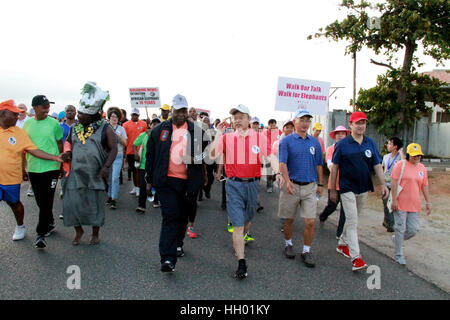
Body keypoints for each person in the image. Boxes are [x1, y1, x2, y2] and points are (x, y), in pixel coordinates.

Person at [146, 94, 208, 273]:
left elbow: (207, 153)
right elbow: (150, 156)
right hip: (167, 182)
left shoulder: (197, 131)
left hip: (188, 184)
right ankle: (167, 257)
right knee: (170, 217)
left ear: (187, 112)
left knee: (182, 218)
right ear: (172, 111)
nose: (181, 114)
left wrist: (194, 157)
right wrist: (149, 180)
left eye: (184, 111)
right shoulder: (160, 130)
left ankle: (178, 243)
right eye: (178, 111)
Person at [209, 104, 270, 279]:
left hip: (252, 185)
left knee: (247, 219)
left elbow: (271, 156)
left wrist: (279, 171)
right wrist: (219, 134)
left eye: (241, 117)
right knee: (237, 224)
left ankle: (240, 241)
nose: (237, 120)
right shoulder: (227, 138)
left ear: (249, 119)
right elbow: (212, 155)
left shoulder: (259, 138)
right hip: (233, 184)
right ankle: (241, 262)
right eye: (235, 117)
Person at [330, 111, 389, 271]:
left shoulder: (370, 143)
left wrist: (383, 184)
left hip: (363, 187)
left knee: (352, 219)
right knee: (353, 221)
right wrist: (333, 189)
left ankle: (342, 244)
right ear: (351, 125)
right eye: (358, 123)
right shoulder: (342, 144)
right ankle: (356, 258)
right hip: (346, 188)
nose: (361, 125)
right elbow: (335, 167)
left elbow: (377, 164)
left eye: (363, 122)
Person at [61, 82, 117, 246]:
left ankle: (95, 233)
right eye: (79, 113)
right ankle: (78, 231)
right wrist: (67, 152)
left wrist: (106, 167)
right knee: (72, 204)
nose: (79, 116)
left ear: (93, 115)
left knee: (95, 206)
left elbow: (114, 149)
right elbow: (68, 143)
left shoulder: (105, 128)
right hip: (76, 173)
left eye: (83, 114)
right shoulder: (74, 128)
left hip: (96, 174)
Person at [0, 100, 62, 242]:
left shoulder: (20, 133)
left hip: (11, 178)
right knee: (43, 201)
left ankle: (21, 226)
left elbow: (33, 150)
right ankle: (44, 227)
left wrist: (56, 158)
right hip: (29, 170)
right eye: (14, 114)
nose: (17, 117)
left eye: (18, 114)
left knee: (15, 203)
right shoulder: (27, 125)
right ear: (3, 114)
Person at [278, 109, 323, 267]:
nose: (305, 124)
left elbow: (319, 164)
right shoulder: (286, 141)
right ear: (294, 122)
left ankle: (306, 250)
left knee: (310, 222)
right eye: (301, 120)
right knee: (289, 219)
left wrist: (320, 184)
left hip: (310, 186)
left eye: (307, 120)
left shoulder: (314, 142)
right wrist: (287, 180)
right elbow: (282, 163)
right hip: (291, 185)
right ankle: (288, 244)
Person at [23, 95, 63, 249]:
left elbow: (59, 143)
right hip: (33, 167)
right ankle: (50, 221)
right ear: (35, 107)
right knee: (40, 200)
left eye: (48, 106)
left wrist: (60, 165)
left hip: (51, 167)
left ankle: (40, 233)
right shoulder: (27, 124)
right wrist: (23, 167)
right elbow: (24, 147)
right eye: (44, 106)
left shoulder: (54, 124)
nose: (48, 109)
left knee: (47, 200)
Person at [390, 143, 431, 266]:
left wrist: (428, 202)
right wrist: (394, 199)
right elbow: (394, 182)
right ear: (408, 155)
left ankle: (397, 239)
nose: (416, 158)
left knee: (413, 230)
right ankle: (398, 255)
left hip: (414, 204)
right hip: (400, 203)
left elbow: (424, 185)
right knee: (400, 228)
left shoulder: (422, 168)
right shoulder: (400, 165)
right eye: (413, 156)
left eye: (418, 156)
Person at [318, 126, 351, 241]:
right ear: (335, 136)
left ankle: (340, 233)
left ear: (346, 135)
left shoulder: (350, 148)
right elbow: (330, 165)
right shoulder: (331, 149)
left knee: (345, 210)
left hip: (347, 184)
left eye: (343, 133)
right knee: (332, 206)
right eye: (338, 133)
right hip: (334, 184)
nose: (340, 135)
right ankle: (323, 216)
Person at [270, 119, 294, 232]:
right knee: (285, 197)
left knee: (293, 197)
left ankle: (289, 219)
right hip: (282, 173)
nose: (289, 129)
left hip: (294, 174)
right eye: (287, 127)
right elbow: (274, 158)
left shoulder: (297, 141)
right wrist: (277, 173)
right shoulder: (277, 143)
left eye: (291, 127)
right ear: (283, 129)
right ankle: (284, 222)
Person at [134, 117, 160, 213]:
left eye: (158, 123)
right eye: (154, 123)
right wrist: (136, 154)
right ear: (150, 125)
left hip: (157, 165)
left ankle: (156, 200)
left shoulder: (163, 136)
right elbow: (135, 144)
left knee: (157, 184)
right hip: (144, 165)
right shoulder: (144, 135)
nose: (155, 125)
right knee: (143, 185)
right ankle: (141, 205)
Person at [106, 107, 127, 210]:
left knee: (115, 177)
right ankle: (109, 195)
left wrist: (118, 137)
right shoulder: (105, 127)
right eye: (112, 116)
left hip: (118, 155)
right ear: (109, 117)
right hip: (107, 156)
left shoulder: (121, 129)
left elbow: (125, 143)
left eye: (116, 117)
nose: (114, 118)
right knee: (109, 177)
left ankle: (114, 198)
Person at [123, 108, 147, 197]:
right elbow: (124, 138)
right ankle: (135, 187)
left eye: (136, 115)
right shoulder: (125, 124)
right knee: (133, 170)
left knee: (139, 171)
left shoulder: (144, 124)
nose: (134, 116)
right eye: (133, 114)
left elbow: (146, 135)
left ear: (138, 115)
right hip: (130, 151)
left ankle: (139, 188)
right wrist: (124, 151)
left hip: (141, 151)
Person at [381, 137, 404, 232]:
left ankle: (389, 222)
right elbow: (383, 168)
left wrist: (401, 151)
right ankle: (389, 223)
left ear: (395, 147)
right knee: (386, 204)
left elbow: (404, 163)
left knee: (394, 205)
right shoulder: (386, 157)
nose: (388, 145)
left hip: (395, 185)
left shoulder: (400, 157)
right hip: (386, 184)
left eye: (390, 144)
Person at [264, 119, 282, 193]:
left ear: (275, 125)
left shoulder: (279, 132)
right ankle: (269, 186)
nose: (272, 127)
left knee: (278, 171)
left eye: (274, 125)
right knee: (269, 172)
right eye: (271, 125)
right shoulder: (265, 133)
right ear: (268, 125)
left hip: (278, 155)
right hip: (268, 155)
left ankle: (272, 180)